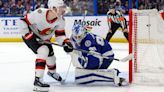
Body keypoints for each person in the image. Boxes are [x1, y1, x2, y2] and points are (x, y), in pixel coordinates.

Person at [18, 0, 73, 91]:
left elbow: (60, 36)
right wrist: (28, 35)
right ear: (53, 8)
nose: (64, 9)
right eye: (61, 7)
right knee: (43, 50)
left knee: (51, 57)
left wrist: (65, 43)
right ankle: (38, 81)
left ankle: (52, 73)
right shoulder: (39, 13)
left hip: (44, 39)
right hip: (31, 36)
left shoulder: (61, 21)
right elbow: (22, 20)